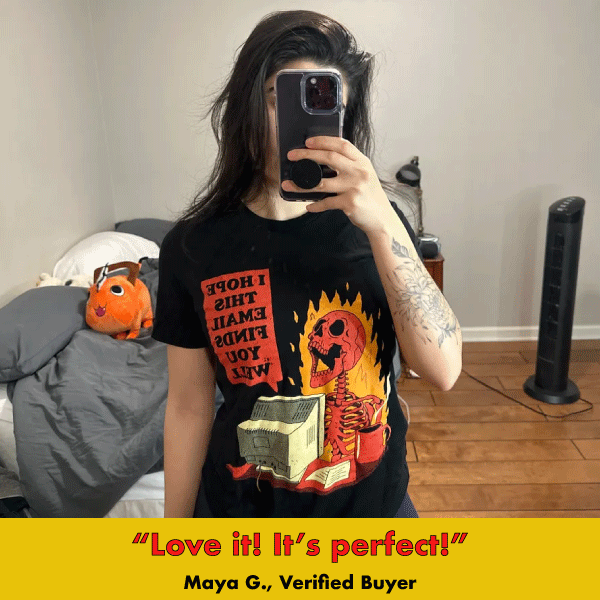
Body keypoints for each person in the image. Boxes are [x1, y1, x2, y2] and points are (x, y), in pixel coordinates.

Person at [151, 10, 462, 518]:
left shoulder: (378, 224)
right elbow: (188, 405)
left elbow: (444, 370)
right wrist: (174, 534)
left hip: (374, 516)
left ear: (344, 118)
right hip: (244, 518)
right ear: (247, 105)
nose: (296, 126)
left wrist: (383, 223)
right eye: (279, 98)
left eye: (324, 104)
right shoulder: (191, 246)